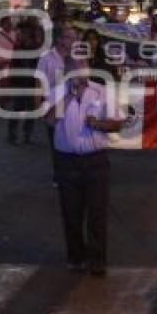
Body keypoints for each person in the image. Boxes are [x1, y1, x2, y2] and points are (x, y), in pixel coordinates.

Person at [46, 60, 130, 275]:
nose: (78, 72)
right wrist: (69, 96)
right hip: (67, 161)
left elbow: (119, 122)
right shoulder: (58, 92)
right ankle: (76, 257)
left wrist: (99, 124)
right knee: (71, 212)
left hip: (95, 161)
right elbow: (48, 120)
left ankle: (97, 261)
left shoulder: (101, 92)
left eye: (82, 68)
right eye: (74, 68)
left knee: (97, 212)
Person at [37, 23, 76, 183]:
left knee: (72, 139)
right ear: (59, 39)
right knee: (56, 142)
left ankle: (70, 172)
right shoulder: (47, 58)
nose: (73, 41)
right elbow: (39, 82)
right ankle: (59, 175)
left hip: (73, 104)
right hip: (54, 105)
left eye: (75, 37)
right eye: (69, 37)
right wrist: (39, 107)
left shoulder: (75, 58)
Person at [7, 18, 41, 144]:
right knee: (17, 108)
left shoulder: (35, 48)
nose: (20, 34)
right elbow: (13, 66)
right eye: (20, 32)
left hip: (31, 82)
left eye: (23, 32)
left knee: (30, 110)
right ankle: (13, 134)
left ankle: (27, 134)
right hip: (20, 82)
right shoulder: (17, 47)